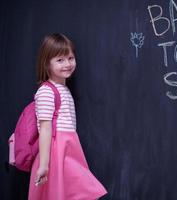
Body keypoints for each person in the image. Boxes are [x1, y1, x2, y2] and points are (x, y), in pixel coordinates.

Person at [28, 33, 107, 199]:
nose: (67, 64)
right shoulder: (46, 91)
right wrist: (43, 164)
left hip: (69, 147)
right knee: (60, 192)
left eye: (70, 58)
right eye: (60, 60)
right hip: (56, 151)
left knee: (68, 192)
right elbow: (45, 128)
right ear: (46, 64)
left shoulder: (63, 89)